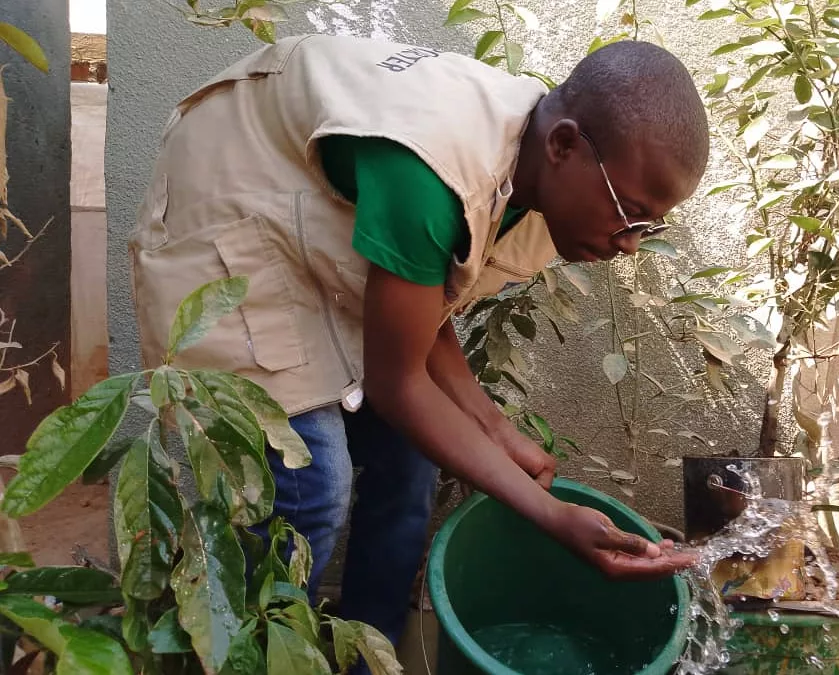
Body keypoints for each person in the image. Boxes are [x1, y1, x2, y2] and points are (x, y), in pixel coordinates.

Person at [130, 32, 709, 653]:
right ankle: (256, 656)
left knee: (410, 466)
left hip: (316, 217)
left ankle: (366, 660)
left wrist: (494, 427)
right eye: (629, 211)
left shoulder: (536, 172)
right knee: (310, 488)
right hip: (232, 195)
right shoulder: (433, 170)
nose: (630, 242)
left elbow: (429, 307)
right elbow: (399, 384)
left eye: (649, 226)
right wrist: (553, 518)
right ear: (564, 143)